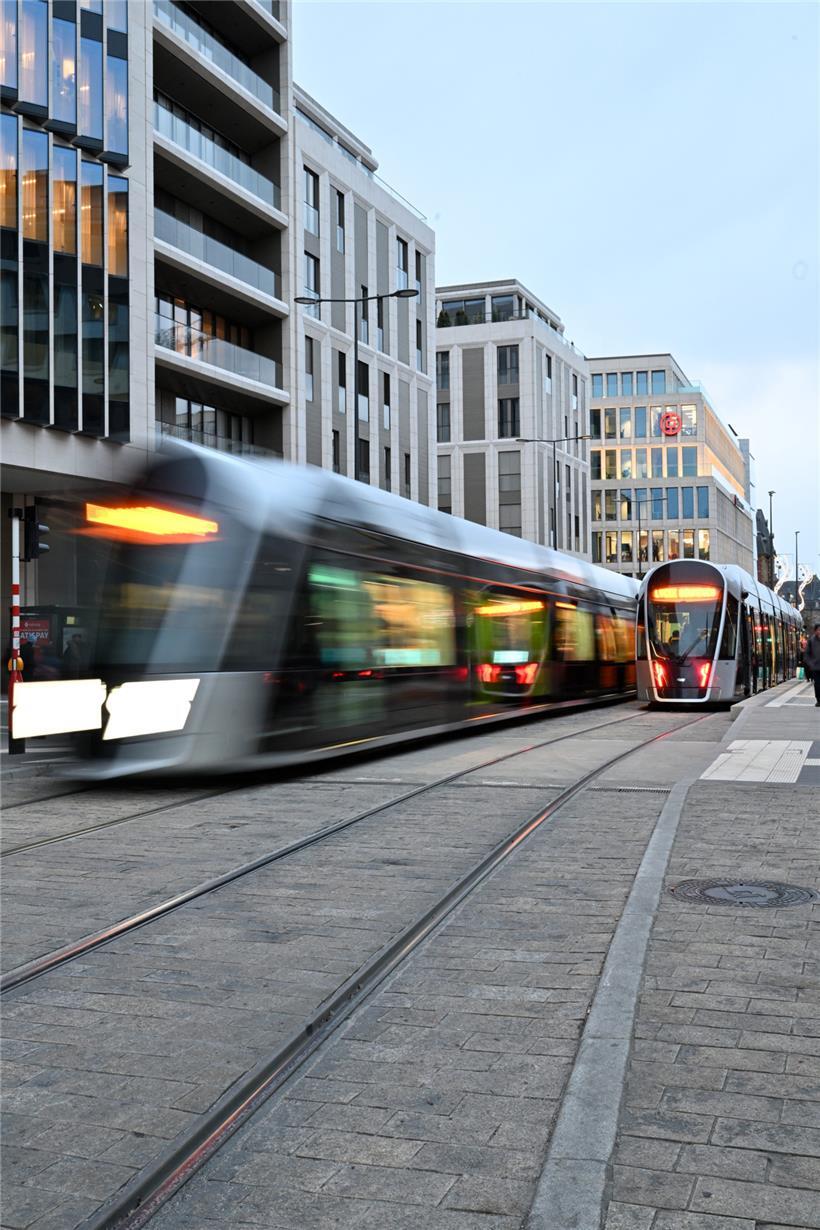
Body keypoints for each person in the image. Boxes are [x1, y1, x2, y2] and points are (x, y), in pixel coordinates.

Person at [803, 624, 820, 706]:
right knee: (817, 684)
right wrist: (811, 663)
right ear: (815, 631)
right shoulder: (811, 641)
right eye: (818, 630)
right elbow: (807, 654)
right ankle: (819, 700)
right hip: (816, 668)